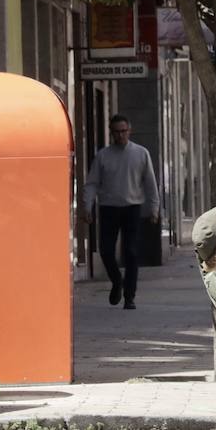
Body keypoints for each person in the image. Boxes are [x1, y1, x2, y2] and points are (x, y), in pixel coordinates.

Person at [81, 114, 160, 310]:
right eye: (116, 132)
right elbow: (91, 183)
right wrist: (87, 206)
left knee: (131, 252)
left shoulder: (141, 154)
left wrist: (154, 208)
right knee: (106, 251)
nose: (120, 135)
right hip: (108, 208)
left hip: (132, 208)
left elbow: (150, 183)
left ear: (129, 131)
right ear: (111, 133)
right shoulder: (103, 156)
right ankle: (117, 280)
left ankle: (129, 296)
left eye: (123, 131)